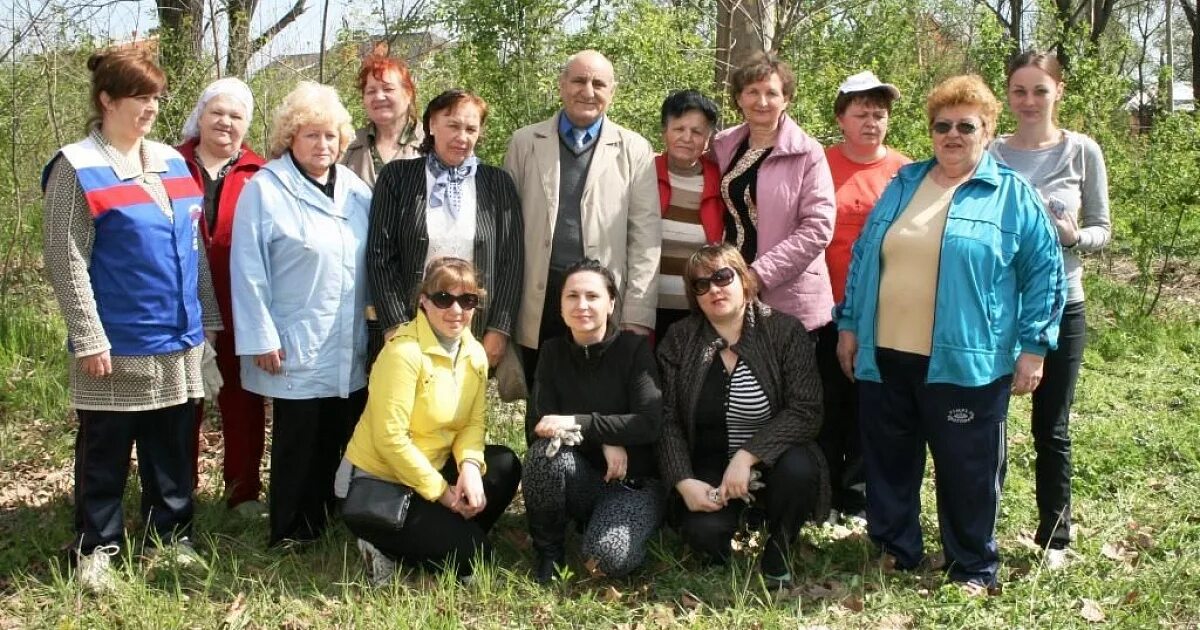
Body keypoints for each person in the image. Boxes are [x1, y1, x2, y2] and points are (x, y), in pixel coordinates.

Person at [835, 74, 1065, 591]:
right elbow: (865, 256)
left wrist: (1034, 347)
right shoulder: (904, 182)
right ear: (931, 130)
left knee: (967, 468)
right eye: (943, 125)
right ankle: (897, 547)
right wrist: (849, 324)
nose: (953, 135)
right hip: (885, 352)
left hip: (966, 361)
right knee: (889, 459)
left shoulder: (1011, 196)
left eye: (967, 125)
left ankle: (972, 564)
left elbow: (1044, 274)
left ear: (987, 130)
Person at [42, 47, 221, 592]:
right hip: (115, 342)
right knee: (106, 452)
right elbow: (63, 255)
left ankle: (171, 537)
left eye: (156, 98)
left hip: (177, 338)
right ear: (106, 100)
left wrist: (207, 318)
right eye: (140, 97)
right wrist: (88, 334)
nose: (151, 107)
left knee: (171, 446)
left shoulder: (170, 160)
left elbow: (193, 248)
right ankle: (97, 546)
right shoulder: (76, 166)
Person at [230, 81, 373, 548]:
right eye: (312, 135)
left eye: (331, 135)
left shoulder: (355, 189)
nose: (323, 145)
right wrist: (260, 336)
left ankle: (329, 516)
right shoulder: (266, 189)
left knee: (340, 430)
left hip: (346, 334)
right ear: (290, 137)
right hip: (293, 335)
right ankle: (291, 528)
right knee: (298, 438)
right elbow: (248, 269)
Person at [991, 50, 1111, 570]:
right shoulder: (989, 151)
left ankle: (1055, 535)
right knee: (986, 422)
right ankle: (979, 528)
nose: (1030, 100)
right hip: (996, 307)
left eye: (1040, 89)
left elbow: (1105, 229)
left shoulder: (1082, 151)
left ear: (1058, 91)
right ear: (1008, 96)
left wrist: (1074, 236)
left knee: (1051, 427)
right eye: (1019, 91)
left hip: (1063, 304)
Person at [657, 244, 828, 589]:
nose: (714, 289)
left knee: (800, 468)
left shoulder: (783, 331)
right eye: (701, 285)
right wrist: (683, 481)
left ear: (744, 280)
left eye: (723, 276)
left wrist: (748, 456)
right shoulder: (679, 339)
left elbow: (806, 410)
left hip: (774, 463)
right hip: (710, 466)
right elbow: (667, 419)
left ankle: (779, 542)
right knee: (703, 538)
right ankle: (737, 517)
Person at [341, 257, 521, 584]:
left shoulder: (474, 353)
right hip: (383, 484)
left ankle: (443, 537)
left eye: (467, 301)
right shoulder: (402, 354)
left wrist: (468, 467)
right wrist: (444, 494)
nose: (456, 310)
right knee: (479, 563)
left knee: (505, 465)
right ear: (423, 301)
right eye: (443, 299)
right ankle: (382, 545)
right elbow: (390, 440)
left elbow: (472, 423)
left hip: (433, 469)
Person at [503, 49, 661, 387]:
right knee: (541, 396)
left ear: (612, 92)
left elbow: (645, 237)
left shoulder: (635, 149)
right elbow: (506, 231)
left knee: (599, 397)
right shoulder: (524, 142)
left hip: (600, 302)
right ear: (561, 85)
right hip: (538, 298)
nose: (587, 91)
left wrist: (637, 313)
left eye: (598, 83)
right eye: (578, 80)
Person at [522, 259, 663, 583]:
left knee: (607, 559)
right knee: (544, 454)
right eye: (572, 296)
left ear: (611, 302)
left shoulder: (634, 350)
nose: (582, 305)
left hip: (632, 484)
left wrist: (581, 423)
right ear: (560, 306)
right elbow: (540, 425)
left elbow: (648, 423)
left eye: (592, 296)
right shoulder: (552, 352)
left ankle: (623, 526)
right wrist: (608, 439)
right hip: (580, 479)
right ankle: (549, 553)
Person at [366, 89, 523, 370]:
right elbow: (380, 256)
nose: (462, 137)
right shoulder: (397, 178)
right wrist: (395, 327)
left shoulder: (498, 184)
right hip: (408, 329)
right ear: (431, 125)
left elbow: (512, 263)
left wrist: (499, 330)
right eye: (452, 125)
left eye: (471, 129)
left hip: (472, 333)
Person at [820, 71, 911, 524]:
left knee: (868, 404)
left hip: (882, 311)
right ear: (842, 118)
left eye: (879, 114)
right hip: (822, 305)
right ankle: (822, 495)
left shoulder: (906, 171)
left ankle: (856, 499)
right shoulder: (819, 164)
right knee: (826, 402)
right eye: (861, 113)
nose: (871, 122)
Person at [176, 77, 268, 517]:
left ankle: (243, 492)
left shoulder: (261, 173)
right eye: (218, 113)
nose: (225, 123)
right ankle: (180, 487)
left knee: (244, 401)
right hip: (181, 304)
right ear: (201, 115)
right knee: (183, 399)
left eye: (236, 116)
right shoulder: (168, 165)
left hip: (242, 303)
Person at [710, 52, 836, 336]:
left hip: (787, 297)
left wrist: (759, 275)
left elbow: (818, 228)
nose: (762, 101)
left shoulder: (807, 152)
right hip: (730, 292)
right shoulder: (723, 146)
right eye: (752, 91)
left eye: (771, 92)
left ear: (786, 99)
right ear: (739, 98)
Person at [654, 89, 725, 341]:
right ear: (665, 131)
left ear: (708, 138)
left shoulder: (721, 181)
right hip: (646, 310)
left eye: (697, 131)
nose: (687, 138)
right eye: (679, 129)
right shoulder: (643, 174)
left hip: (701, 310)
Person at [341, 52, 423, 186]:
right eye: (371, 91)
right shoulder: (347, 145)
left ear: (408, 94)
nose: (379, 97)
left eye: (388, 89)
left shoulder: (433, 144)